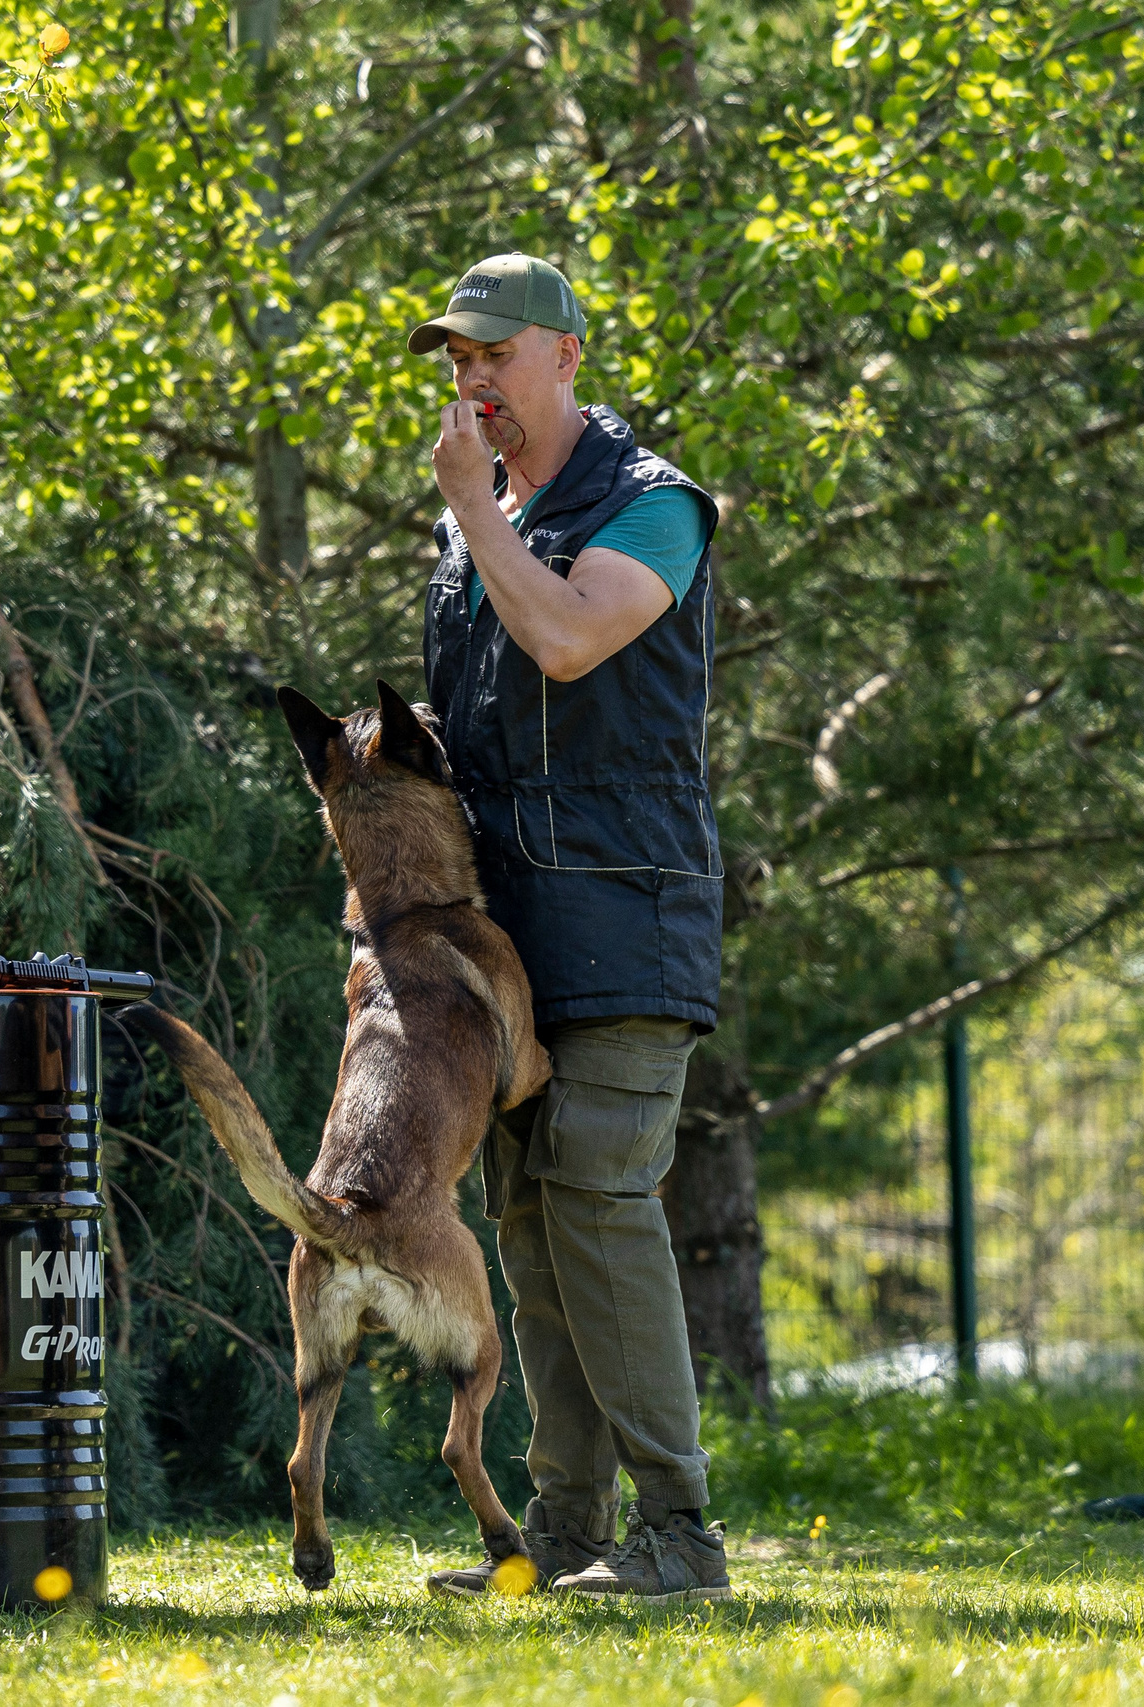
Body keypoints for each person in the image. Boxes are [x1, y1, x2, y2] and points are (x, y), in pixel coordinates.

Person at [408, 254, 729, 1604]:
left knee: (601, 1199)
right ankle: (570, 1527)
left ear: (565, 358)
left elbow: (573, 642)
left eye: (495, 354)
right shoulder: (474, 530)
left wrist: (478, 513)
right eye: (456, 361)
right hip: (510, 942)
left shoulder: (654, 509)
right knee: (532, 1221)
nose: (472, 381)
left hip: (628, 911)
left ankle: (682, 1533)